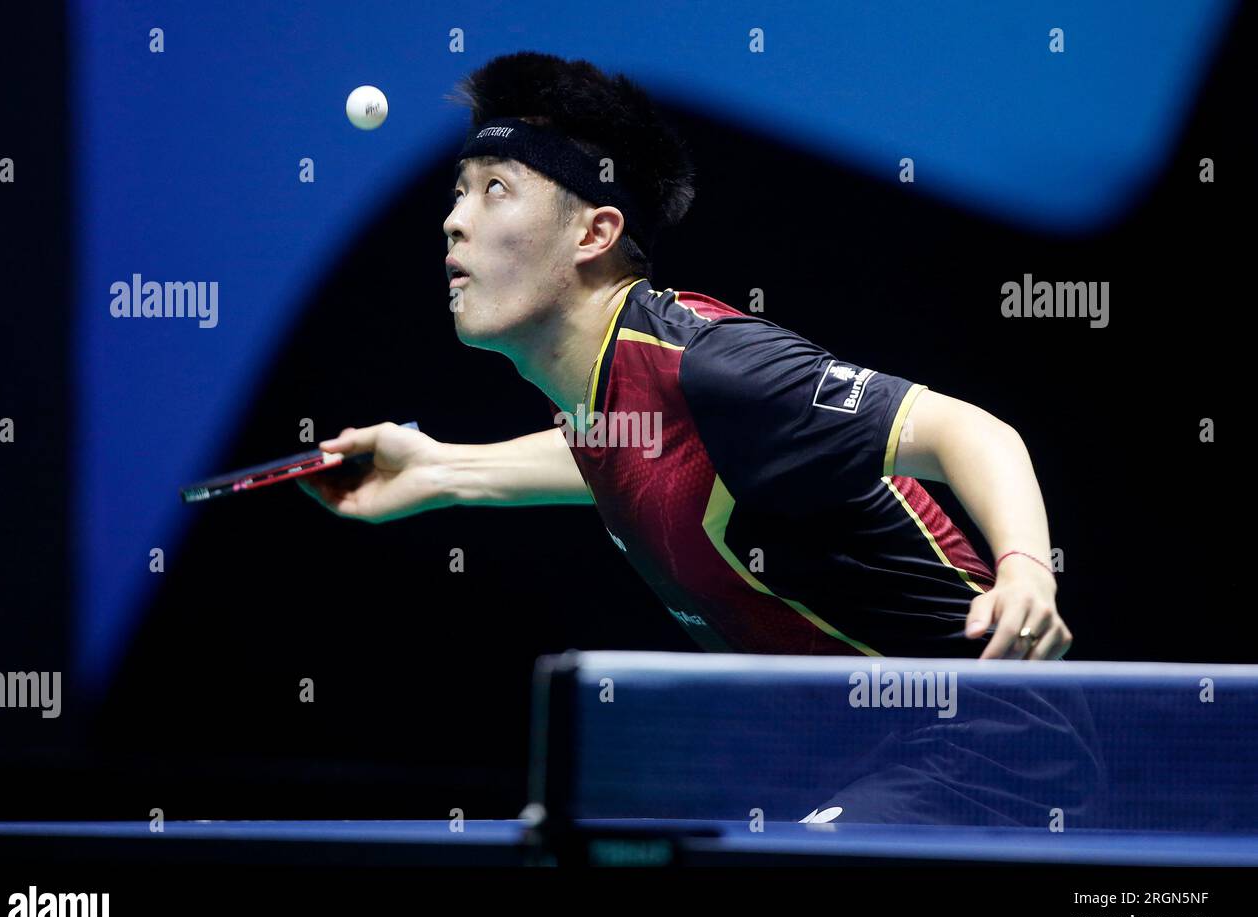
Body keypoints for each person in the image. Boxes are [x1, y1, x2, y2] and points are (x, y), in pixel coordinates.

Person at [300, 51, 1072, 664]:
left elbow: (971, 431)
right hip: (862, 752)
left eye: (494, 189)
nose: (454, 223)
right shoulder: (605, 387)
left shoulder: (715, 364)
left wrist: (1028, 571)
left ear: (594, 234)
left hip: (986, 741)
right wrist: (440, 471)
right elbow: (649, 454)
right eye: (457, 191)